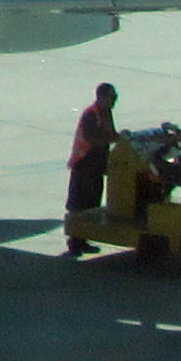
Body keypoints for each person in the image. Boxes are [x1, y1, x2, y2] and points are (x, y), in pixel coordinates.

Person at [65, 83, 119, 250]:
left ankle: (84, 239)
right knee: (80, 203)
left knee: (92, 202)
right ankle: (75, 241)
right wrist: (114, 139)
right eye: (112, 96)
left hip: (96, 165)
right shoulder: (91, 114)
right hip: (84, 163)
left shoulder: (106, 112)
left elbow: (111, 133)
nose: (114, 100)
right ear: (102, 97)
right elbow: (93, 138)